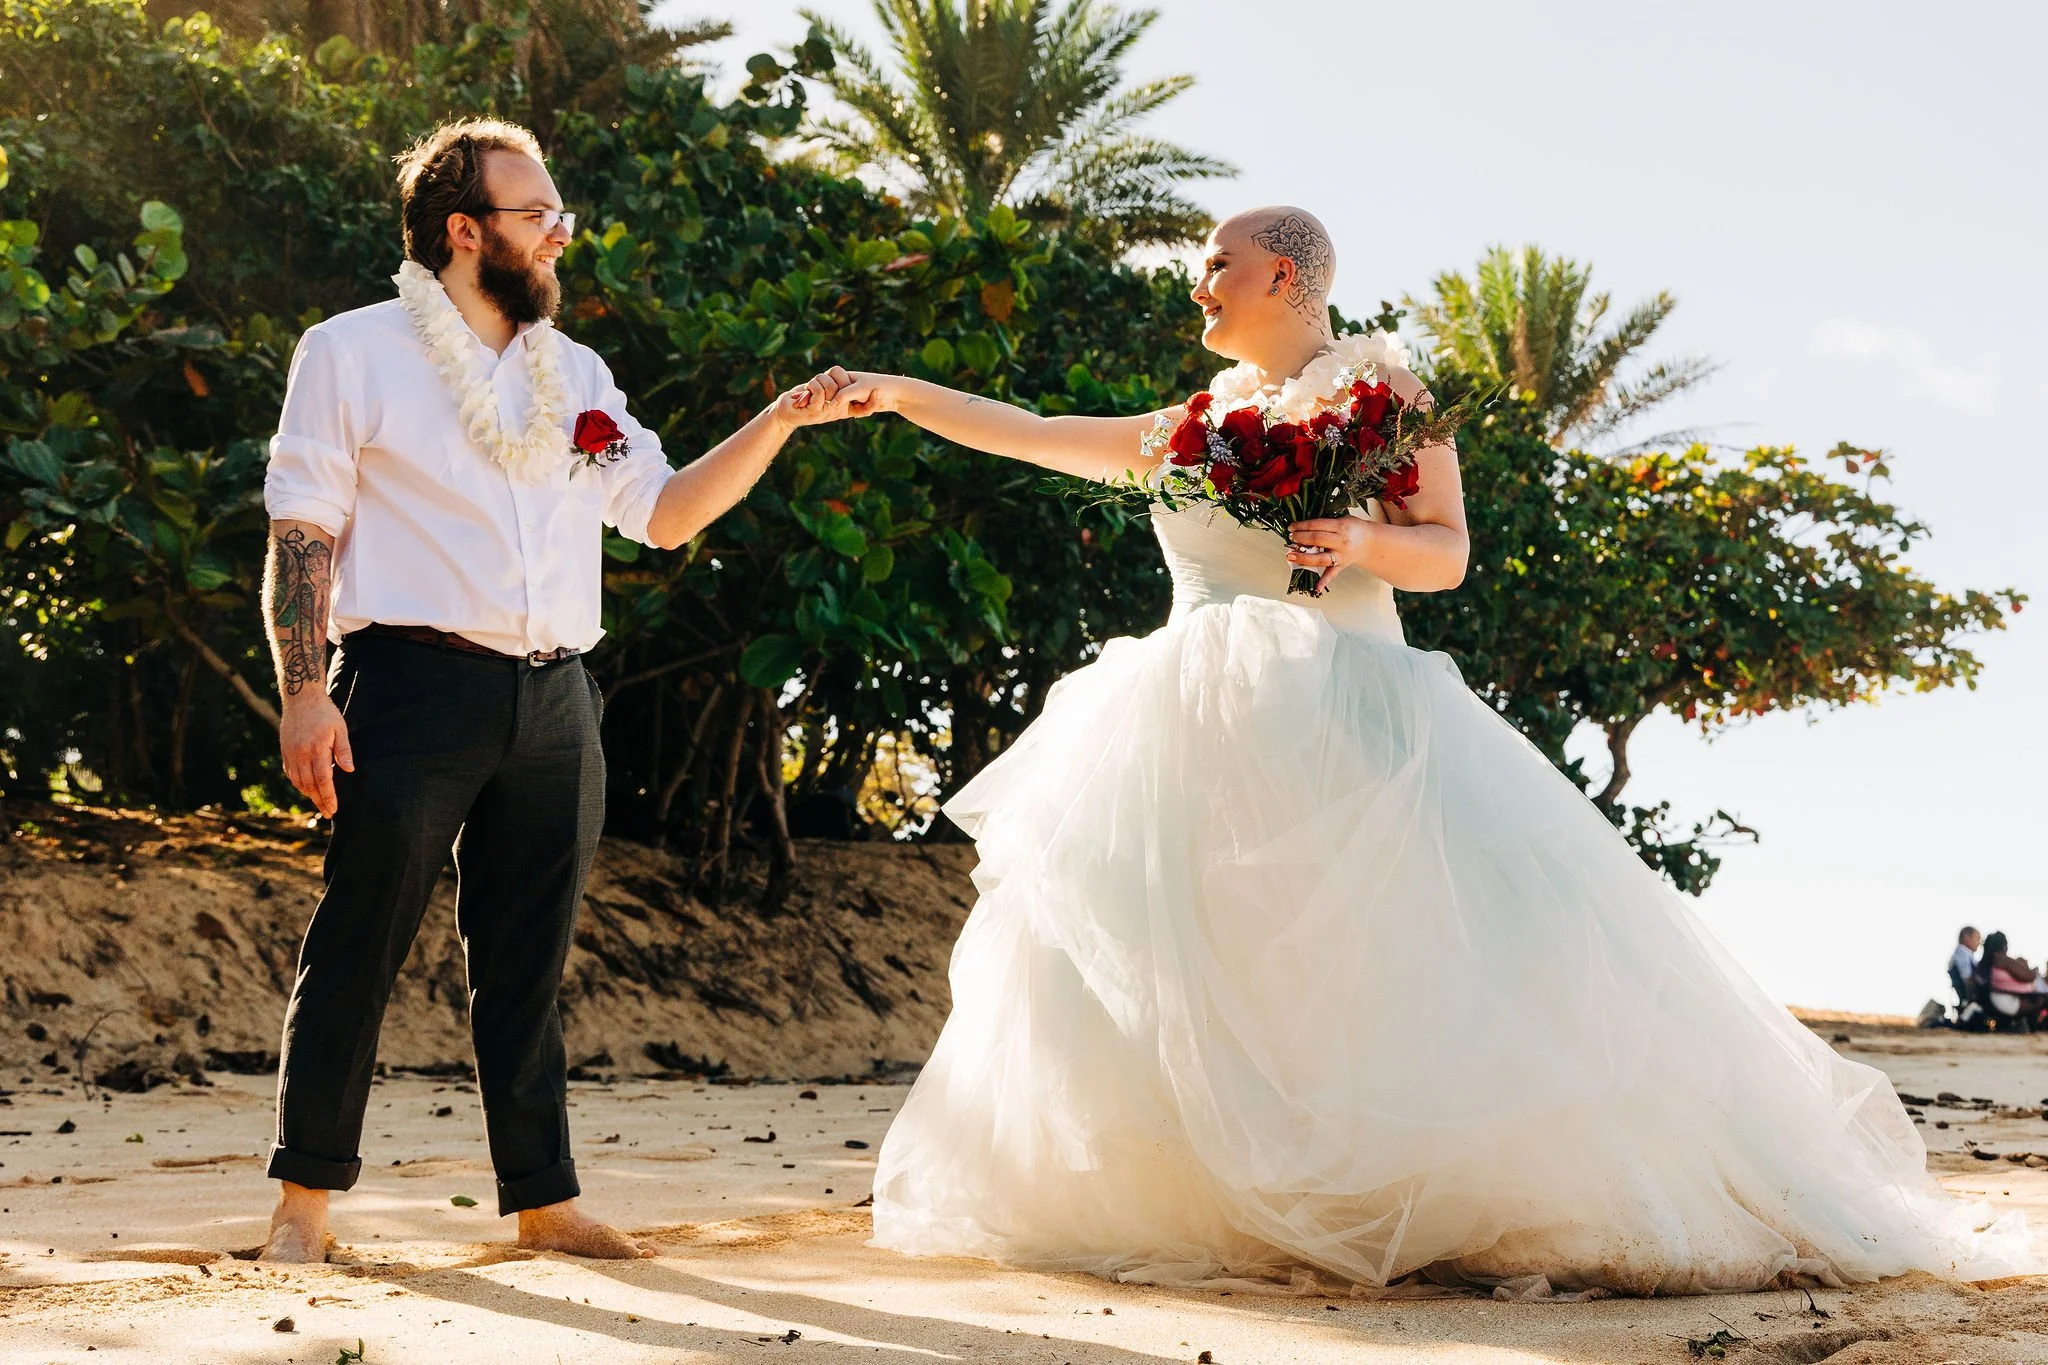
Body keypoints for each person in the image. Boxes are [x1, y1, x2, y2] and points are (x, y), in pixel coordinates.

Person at [839, 206, 2035, 1293]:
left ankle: (1404, 1197)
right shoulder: (1193, 424)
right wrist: (893, 392)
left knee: (1373, 958)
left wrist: (1355, 537)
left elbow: (1445, 551)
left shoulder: (1386, 402)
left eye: (1215, 264)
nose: (1196, 283)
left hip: (1347, 712)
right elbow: (1037, 432)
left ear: (1286, 272)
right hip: (1185, 721)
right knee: (1198, 955)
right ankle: (1226, 1196)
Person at [256, 117, 861, 1262]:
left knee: (529, 963)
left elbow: (665, 512)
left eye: (558, 217)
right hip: (405, 687)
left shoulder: (573, 374)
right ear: (463, 230)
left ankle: (543, 1201)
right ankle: (304, 1211)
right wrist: (302, 694)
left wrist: (781, 422)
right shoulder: (350, 350)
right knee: (358, 944)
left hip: (556, 701)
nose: (559, 237)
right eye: (538, 218)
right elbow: (302, 533)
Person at [1949, 925, 1983, 1012]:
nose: (1979, 942)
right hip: (1967, 995)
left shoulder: (1967, 953)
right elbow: (1967, 978)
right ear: (1966, 937)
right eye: (1977, 938)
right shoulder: (1962, 952)